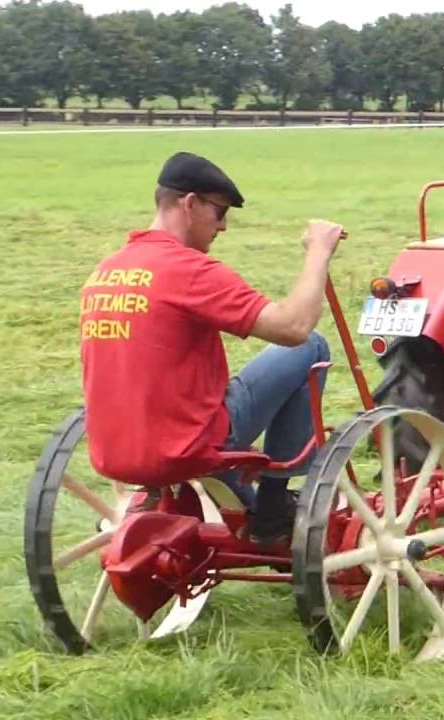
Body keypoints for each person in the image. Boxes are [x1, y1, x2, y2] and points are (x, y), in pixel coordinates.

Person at [78, 151, 344, 545]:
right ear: (189, 204)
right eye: (219, 212)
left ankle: (194, 496)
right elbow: (293, 327)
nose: (223, 227)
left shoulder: (106, 271)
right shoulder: (188, 270)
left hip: (116, 449)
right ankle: (274, 508)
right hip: (186, 446)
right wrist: (318, 252)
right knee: (311, 348)